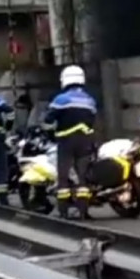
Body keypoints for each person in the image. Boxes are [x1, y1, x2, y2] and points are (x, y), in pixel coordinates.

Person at [43, 65, 97, 220]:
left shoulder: (61, 99)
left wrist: (50, 135)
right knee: (83, 177)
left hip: (66, 142)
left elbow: (48, 120)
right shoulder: (89, 99)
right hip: (85, 141)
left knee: (63, 176)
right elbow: (92, 120)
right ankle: (83, 212)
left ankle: (63, 212)